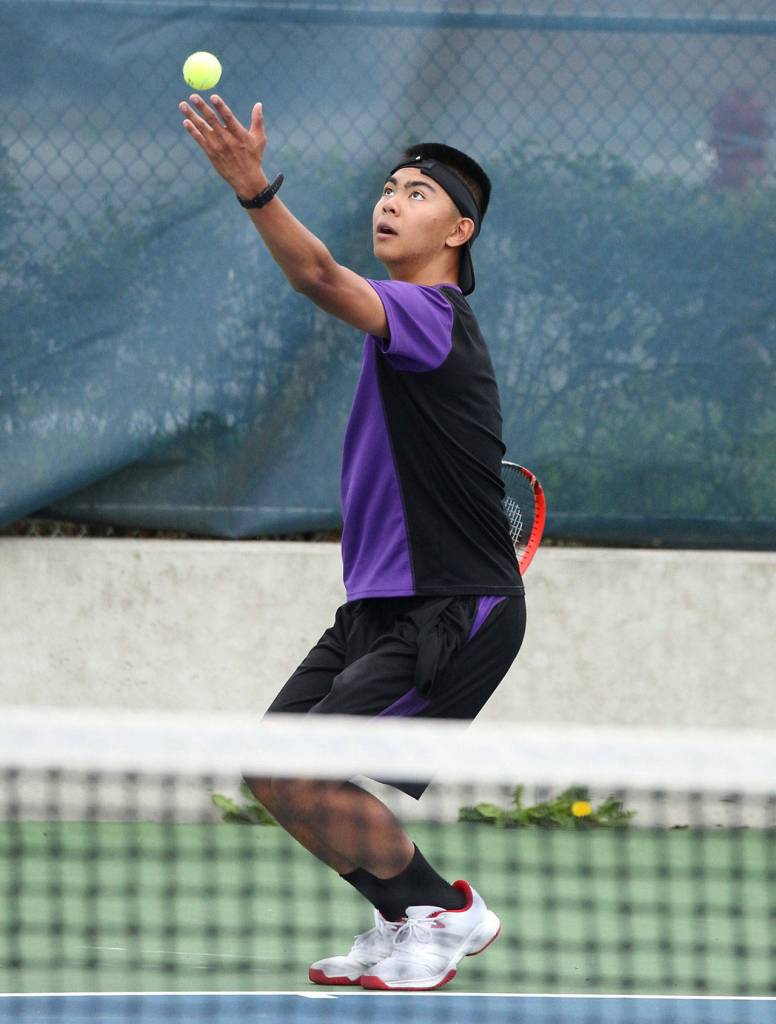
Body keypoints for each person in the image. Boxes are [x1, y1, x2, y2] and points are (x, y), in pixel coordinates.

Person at [179, 92, 527, 991]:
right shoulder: (401, 328)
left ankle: (443, 914)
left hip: (454, 608)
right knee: (272, 767)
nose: (390, 199)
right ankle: (401, 911)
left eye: (415, 193)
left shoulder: (431, 316)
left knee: (312, 764)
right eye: (387, 185)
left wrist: (255, 190)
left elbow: (320, 279)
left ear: (460, 229)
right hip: (378, 607)